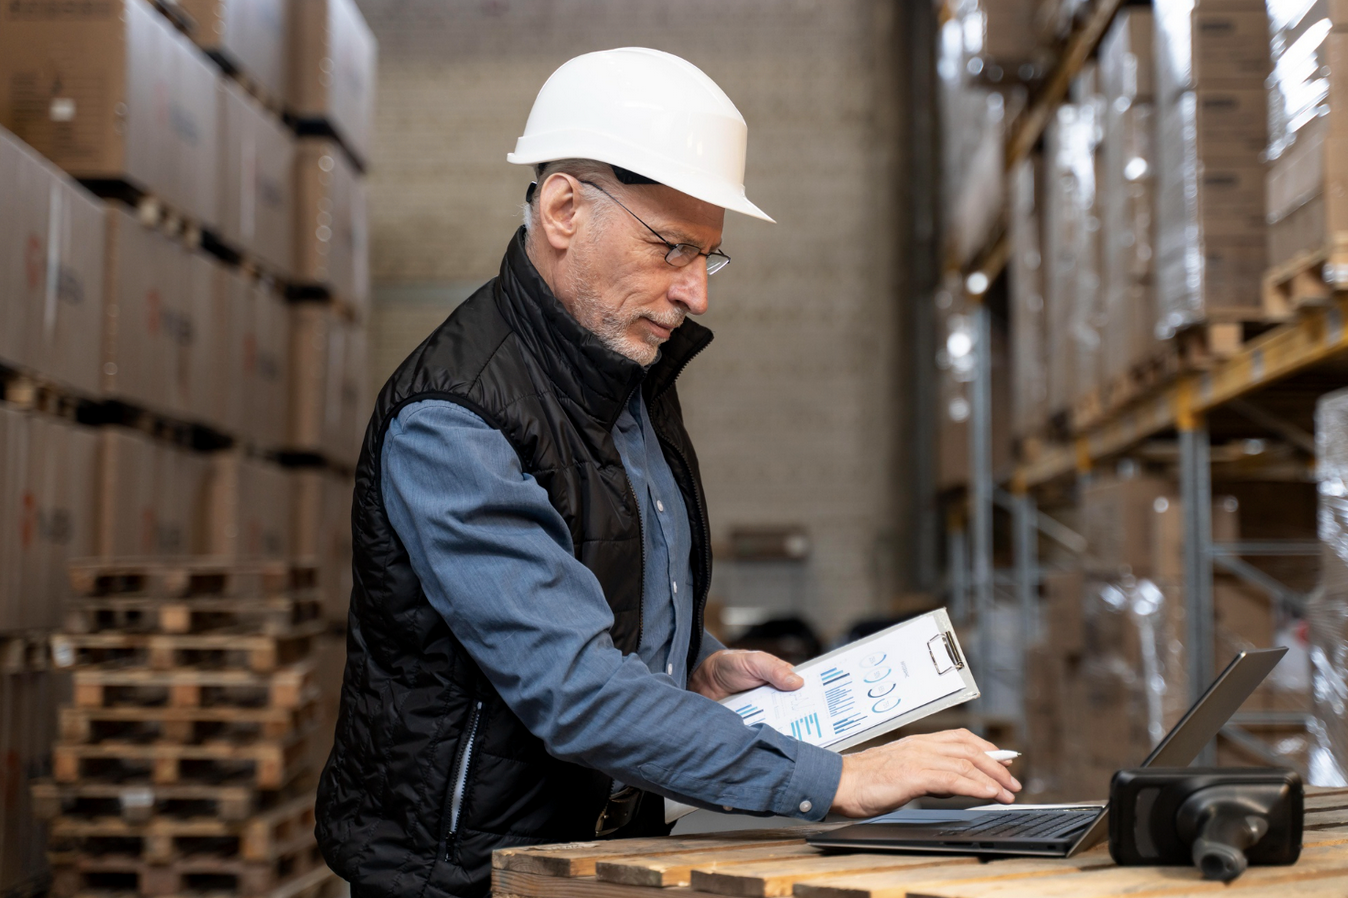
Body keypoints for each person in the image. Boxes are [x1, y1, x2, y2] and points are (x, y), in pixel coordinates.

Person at [314, 47, 1020, 898]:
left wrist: (689, 658)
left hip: (600, 854)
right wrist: (838, 780)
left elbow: (596, 580)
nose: (696, 293)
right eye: (672, 249)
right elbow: (571, 688)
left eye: (708, 257)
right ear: (566, 208)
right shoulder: (455, 419)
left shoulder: (627, 372)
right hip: (468, 878)